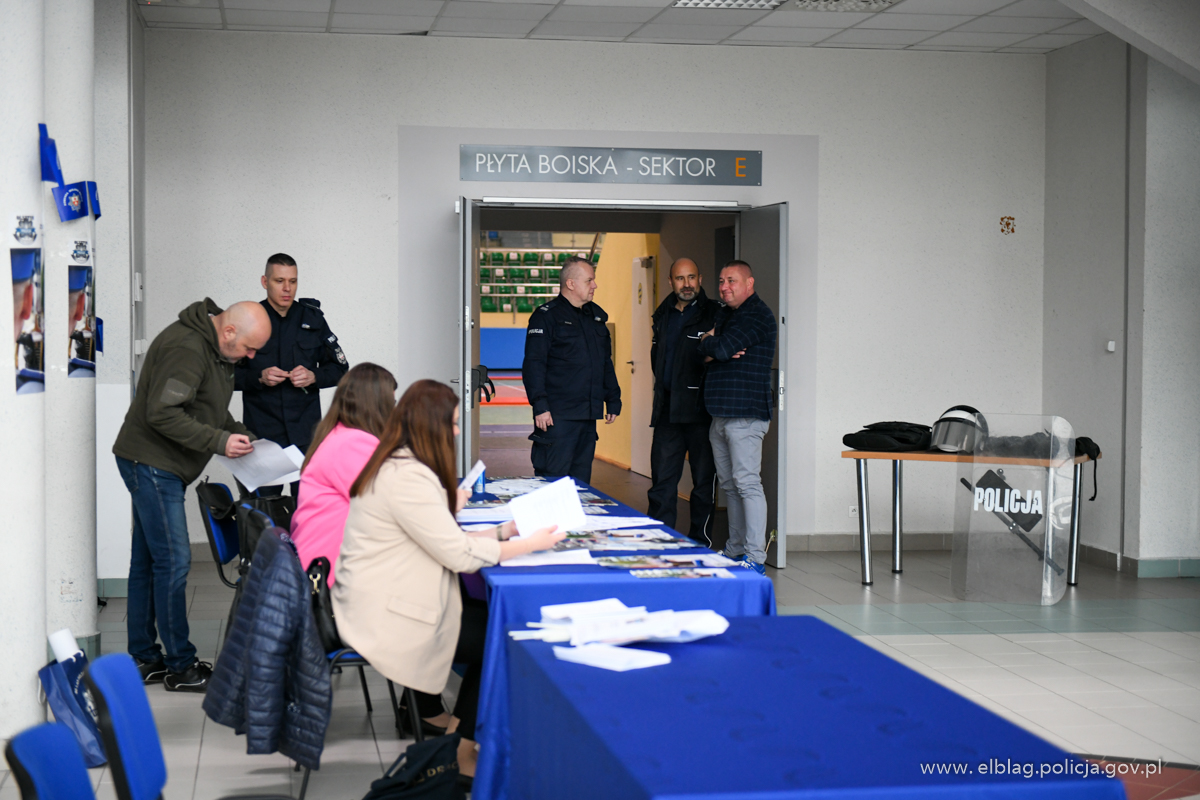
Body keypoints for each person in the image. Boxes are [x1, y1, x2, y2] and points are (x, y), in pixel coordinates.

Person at [333, 380, 564, 778]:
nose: (457, 431)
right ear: (431, 425)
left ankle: (455, 745)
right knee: (502, 636)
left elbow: (445, 540)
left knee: (493, 626)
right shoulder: (407, 476)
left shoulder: (398, 464)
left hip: (385, 598)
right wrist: (530, 544)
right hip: (386, 614)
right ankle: (458, 752)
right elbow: (457, 553)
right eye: (453, 423)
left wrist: (506, 531)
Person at [113, 299, 271, 691]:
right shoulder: (188, 348)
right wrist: (219, 442)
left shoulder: (217, 350)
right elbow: (162, 413)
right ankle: (180, 666)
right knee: (174, 561)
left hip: (158, 463)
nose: (251, 357)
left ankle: (145, 658)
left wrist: (243, 436)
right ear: (229, 331)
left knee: (148, 562)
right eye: (250, 348)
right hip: (151, 463)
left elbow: (210, 409)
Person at [235, 253, 348, 495]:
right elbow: (225, 376)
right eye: (279, 281)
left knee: (309, 508)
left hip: (305, 435)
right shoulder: (248, 320)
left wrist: (314, 376)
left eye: (293, 281)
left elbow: (340, 369)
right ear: (265, 282)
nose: (287, 288)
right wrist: (258, 378)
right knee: (262, 511)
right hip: (262, 436)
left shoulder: (312, 318)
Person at [697, 260, 777, 575]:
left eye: (732, 280)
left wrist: (712, 344)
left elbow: (721, 347)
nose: (724, 287)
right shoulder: (725, 314)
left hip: (745, 414)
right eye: (721, 281)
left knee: (747, 484)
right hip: (720, 412)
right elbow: (707, 352)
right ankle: (735, 549)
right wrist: (710, 345)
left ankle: (755, 558)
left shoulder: (757, 314)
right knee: (730, 486)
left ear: (749, 283)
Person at [290, 362, 397, 583]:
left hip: (323, 559)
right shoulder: (353, 442)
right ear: (377, 405)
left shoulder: (340, 435)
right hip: (329, 568)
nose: (395, 411)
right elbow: (387, 504)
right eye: (392, 403)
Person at [522, 256, 621, 484]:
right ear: (571, 284)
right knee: (552, 482)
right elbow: (534, 363)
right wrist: (540, 405)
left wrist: (613, 398)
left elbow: (604, 362)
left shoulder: (595, 317)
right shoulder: (546, 317)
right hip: (557, 418)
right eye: (589, 280)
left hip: (587, 416)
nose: (595, 285)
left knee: (581, 485)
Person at [646, 258, 718, 545]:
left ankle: (700, 542)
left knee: (703, 484)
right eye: (680, 278)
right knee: (662, 483)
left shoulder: (715, 313)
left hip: (702, 413)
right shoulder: (662, 313)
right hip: (668, 411)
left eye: (691, 277)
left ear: (700, 278)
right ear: (670, 282)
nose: (686, 284)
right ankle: (661, 540)